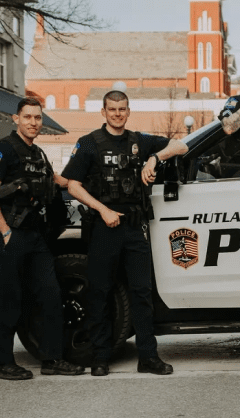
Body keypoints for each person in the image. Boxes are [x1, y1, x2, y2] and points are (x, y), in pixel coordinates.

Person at [63, 90, 188, 376]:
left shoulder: (139, 141)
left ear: (128, 111)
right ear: (104, 112)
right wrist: (103, 210)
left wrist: (154, 158)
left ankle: (148, 357)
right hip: (104, 227)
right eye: (112, 109)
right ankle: (100, 357)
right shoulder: (89, 144)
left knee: (141, 293)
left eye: (122, 109)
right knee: (100, 293)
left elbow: (180, 145)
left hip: (133, 228)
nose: (118, 114)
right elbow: (73, 185)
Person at [0, 98, 85, 380]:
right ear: (16, 119)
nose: (33, 122)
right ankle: (4, 364)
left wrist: (83, 180)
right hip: (9, 233)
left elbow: (56, 180)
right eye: (27, 117)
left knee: (51, 295)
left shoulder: (38, 153)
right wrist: (5, 232)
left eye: (37, 118)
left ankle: (52, 359)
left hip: (34, 234)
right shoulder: (3, 150)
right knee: (10, 298)